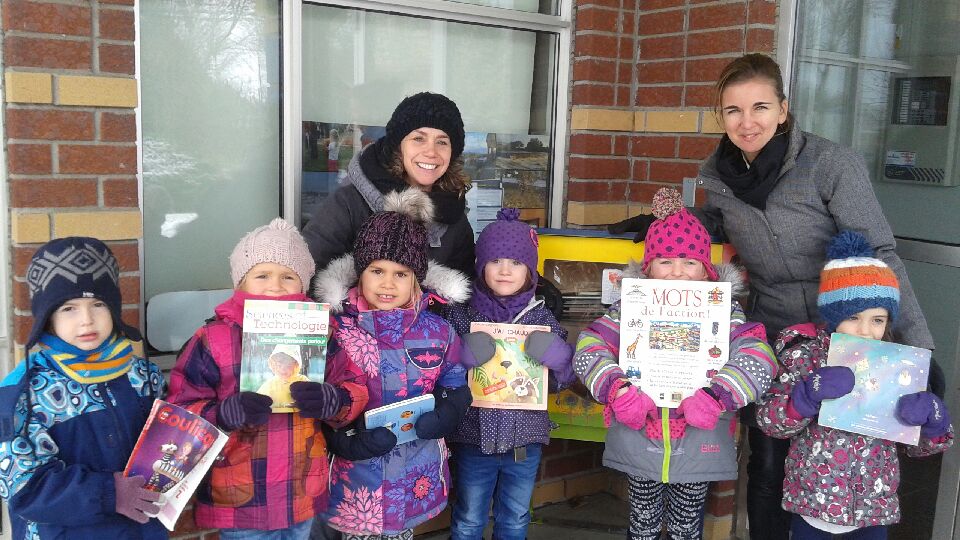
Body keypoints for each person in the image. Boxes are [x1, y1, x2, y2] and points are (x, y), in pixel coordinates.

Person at [608, 53, 935, 539]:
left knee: (850, 443)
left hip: (845, 326)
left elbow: (879, 250)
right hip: (773, 330)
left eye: (760, 107)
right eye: (733, 111)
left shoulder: (828, 163)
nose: (747, 122)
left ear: (783, 109)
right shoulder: (716, 173)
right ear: (721, 116)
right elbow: (723, 218)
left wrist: (918, 344)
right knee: (767, 458)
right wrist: (679, 224)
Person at [575, 188, 777, 540]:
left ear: (705, 269)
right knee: (642, 525)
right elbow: (590, 347)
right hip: (639, 436)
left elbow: (758, 356)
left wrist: (718, 396)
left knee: (686, 528)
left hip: (698, 440)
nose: (677, 273)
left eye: (689, 262)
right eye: (665, 261)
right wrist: (616, 388)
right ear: (649, 266)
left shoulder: (724, 311)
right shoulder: (629, 308)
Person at [168, 218, 368, 539]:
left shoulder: (321, 334)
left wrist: (334, 400)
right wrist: (222, 414)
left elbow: (354, 387)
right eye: (262, 275)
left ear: (302, 285)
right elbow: (181, 408)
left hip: (301, 489)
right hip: (242, 493)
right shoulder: (212, 338)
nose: (275, 286)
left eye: (288, 276)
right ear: (241, 283)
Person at [755, 230, 953, 539]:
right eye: (853, 317)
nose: (865, 331)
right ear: (834, 315)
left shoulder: (897, 366)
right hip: (812, 506)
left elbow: (920, 450)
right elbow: (770, 422)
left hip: (873, 512)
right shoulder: (806, 355)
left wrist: (933, 424)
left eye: (878, 320)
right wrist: (805, 396)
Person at [312, 188, 472, 540]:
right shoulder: (335, 330)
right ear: (359, 273)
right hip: (357, 479)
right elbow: (316, 395)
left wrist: (449, 410)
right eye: (377, 270)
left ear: (416, 277)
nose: (387, 283)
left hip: (417, 471)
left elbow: (455, 381)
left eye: (401, 274)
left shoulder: (438, 330)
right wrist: (341, 439)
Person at [0, 237, 167, 539]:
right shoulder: (26, 393)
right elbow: (22, 485)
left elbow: (174, 446)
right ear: (47, 318)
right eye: (69, 308)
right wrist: (109, 493)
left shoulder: (143, 377)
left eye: (98, 304)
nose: (87, 320)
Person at [443, 208, 576, 540]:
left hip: (525, 441)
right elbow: (439, 374)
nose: (505, 270)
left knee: (516, 517)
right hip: (473, 437)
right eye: (495, 261)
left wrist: (560, 359)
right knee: (470, 518)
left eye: (516, 263)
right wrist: (461, 359)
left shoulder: (542, 318)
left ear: (530, 271)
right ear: (480, 265)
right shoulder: (460, 315)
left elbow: (562, 381)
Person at [302, 91, 475, 278]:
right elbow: (306, 270)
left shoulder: (454, 216)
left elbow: (465, 292)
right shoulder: (349, 204)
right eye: (419, 139)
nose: (431, 152)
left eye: (442, 142)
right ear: (397, 146)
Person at [256, 345, 311, 410]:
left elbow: (314, 399)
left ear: (296, 365)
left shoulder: (303, 381)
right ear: (274, 365)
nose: (283, 369)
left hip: (298, 418)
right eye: (279, 365)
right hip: (277, 418)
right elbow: (257, 403)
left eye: (288, 366)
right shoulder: (270, 385)